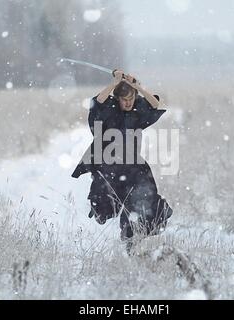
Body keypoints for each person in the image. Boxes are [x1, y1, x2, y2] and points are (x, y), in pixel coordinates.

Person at [71, 69, 173, 253]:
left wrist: (137, 87)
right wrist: (115, 82)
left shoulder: (137, 111)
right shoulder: (108, 109)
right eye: (124, 99)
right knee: (104, 204)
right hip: (109, 166)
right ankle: (126, 236)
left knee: (143, 201)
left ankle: (131, 239)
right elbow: (96, 103)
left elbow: (155, 104)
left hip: (134, 166)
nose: (128, 102)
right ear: (117, 98)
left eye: (131, 99)